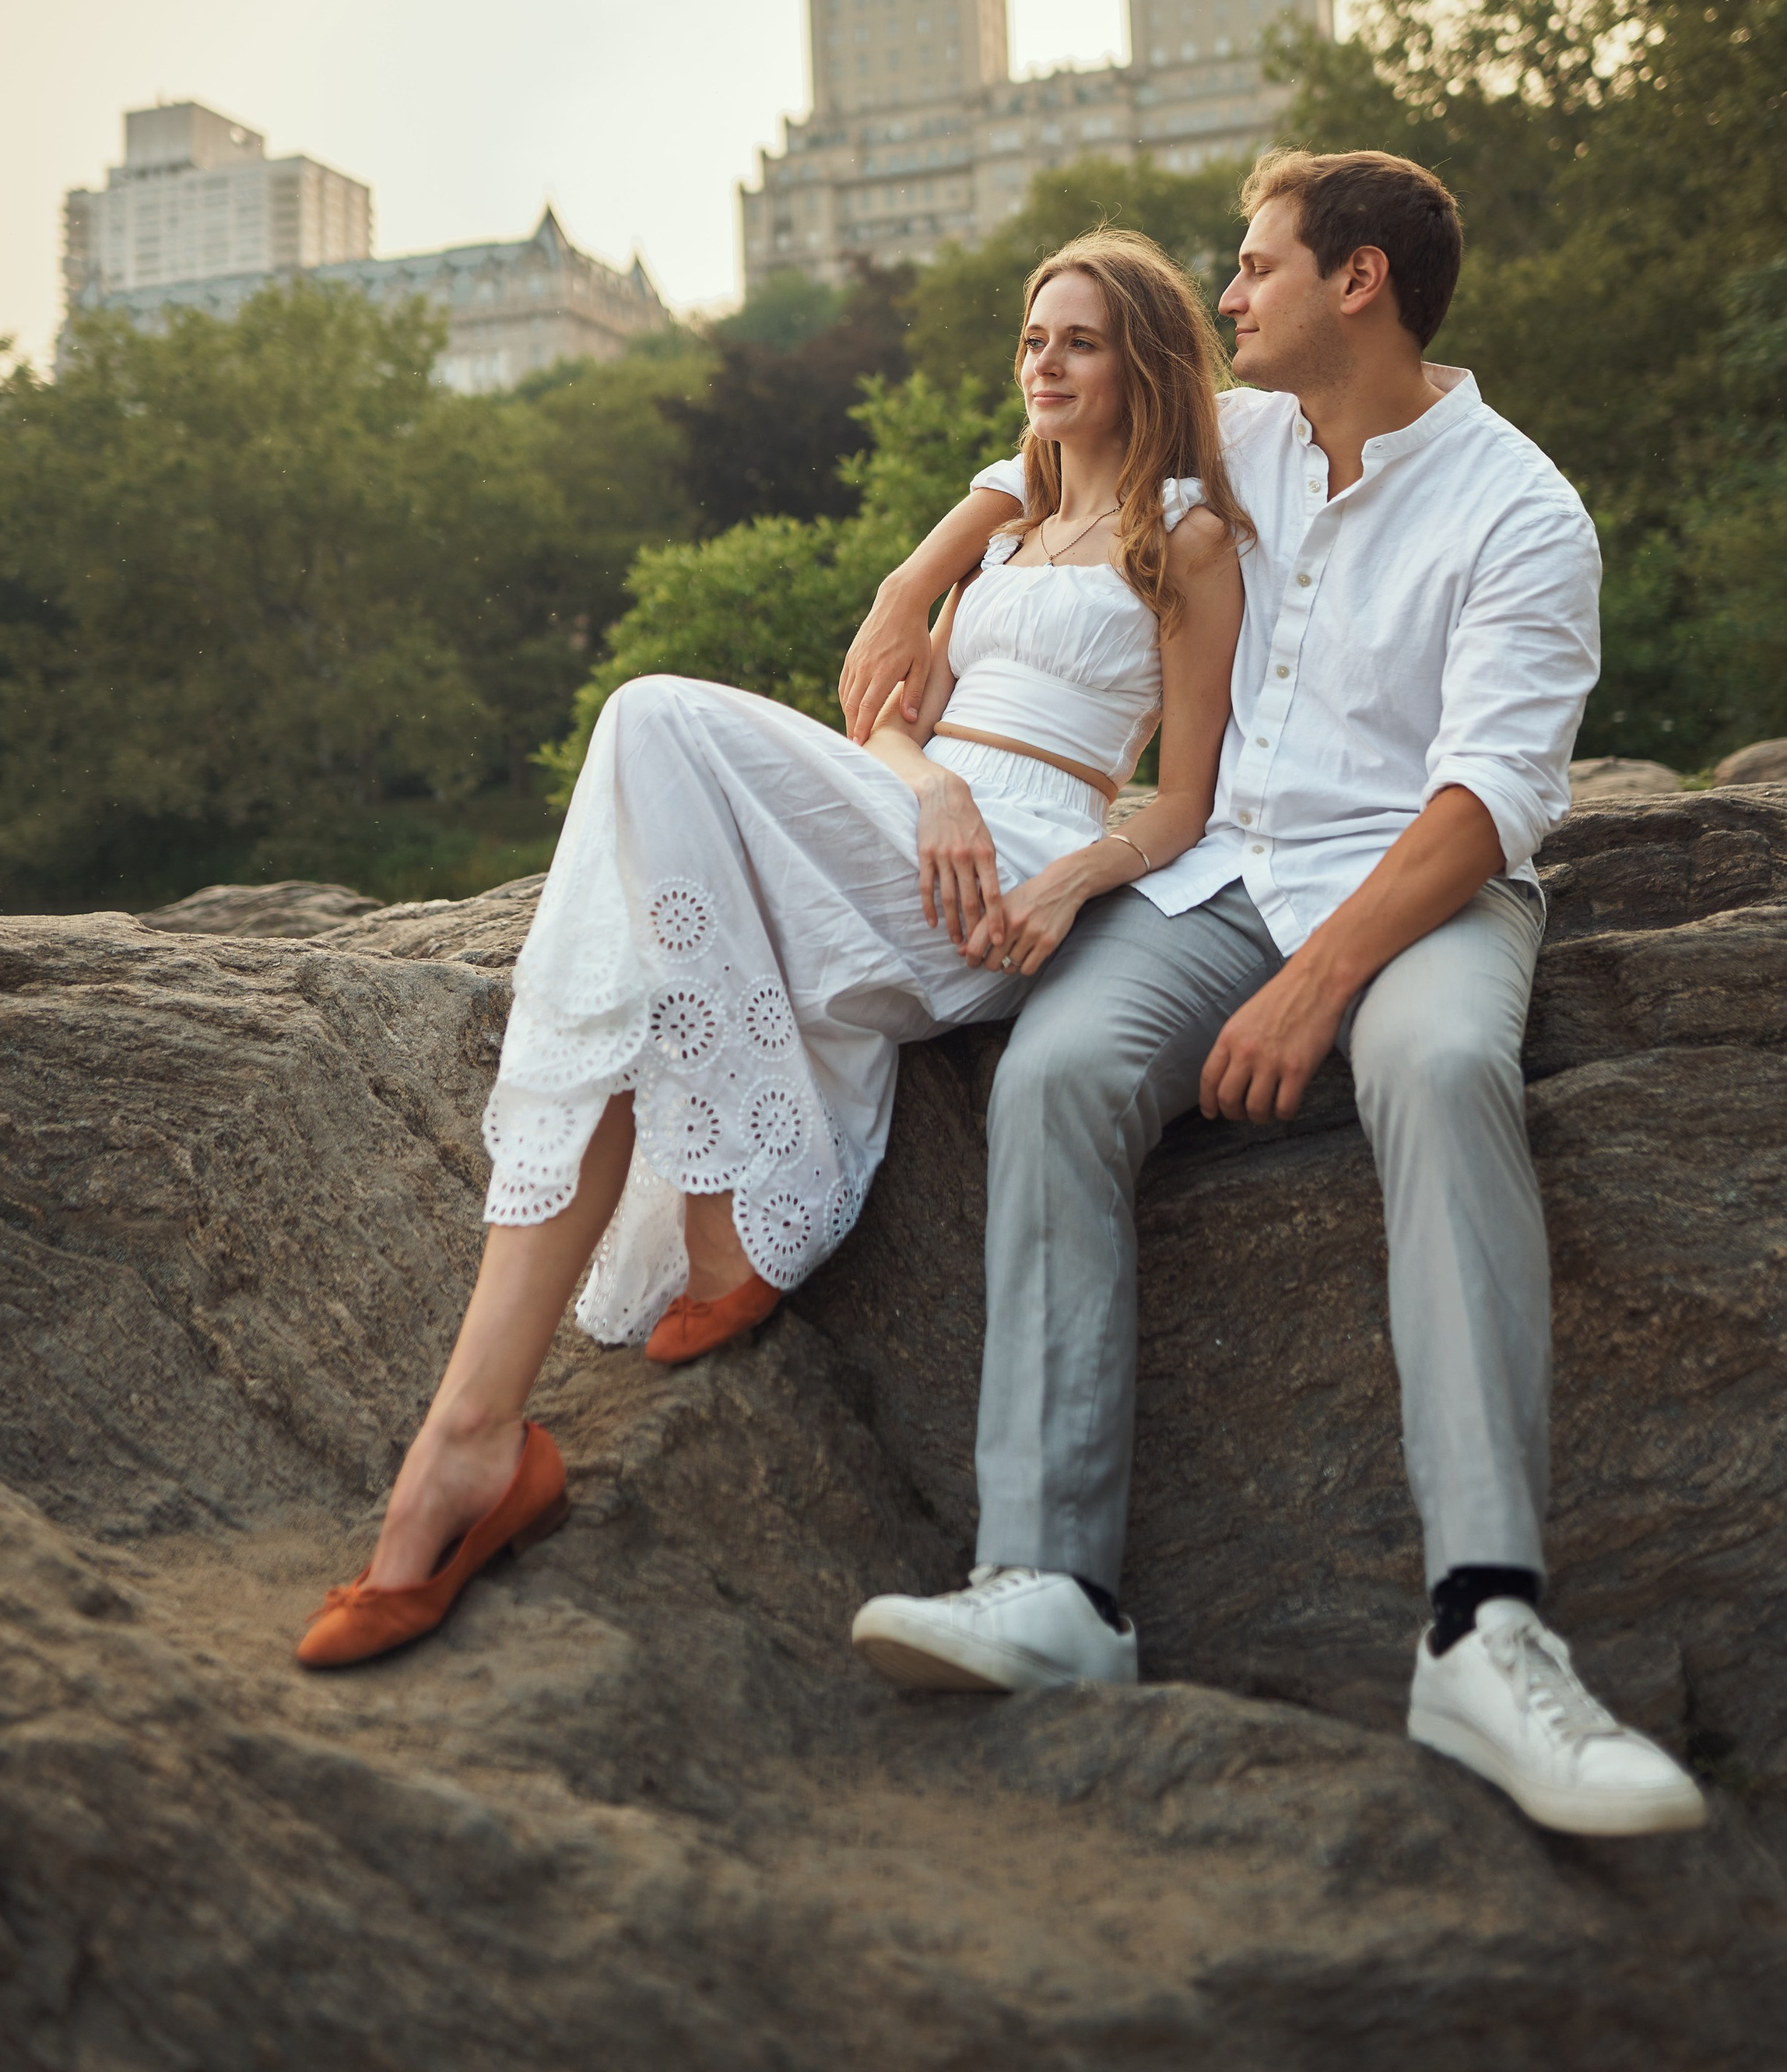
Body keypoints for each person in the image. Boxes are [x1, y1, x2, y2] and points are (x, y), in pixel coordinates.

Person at [847, 149, 1707, 1841]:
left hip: (1415, 894)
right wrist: (905, 588)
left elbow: (1484, 799)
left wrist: (1317, 982)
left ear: (1358, 280)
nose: (1224, 295)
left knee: (1449, 1070)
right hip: (1205, 874)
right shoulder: (1228, 439)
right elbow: (1037, 458)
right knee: (1054, 1073)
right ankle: (1052, 1588)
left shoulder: (1517, 508)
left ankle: (1481, 1624)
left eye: (1251, 269)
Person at [295, 230, 1247, 1670]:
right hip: (922, 817)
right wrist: (925, 778)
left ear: (1146, 365)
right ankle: (474, 1440)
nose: (1042, 362)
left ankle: (567, 1362)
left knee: (652, 716)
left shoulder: (1183, 536)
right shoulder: (999, 523)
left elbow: (1184, 800)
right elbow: (880, 706)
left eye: (1080, 341)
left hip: (1020, 868)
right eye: (1032, 337)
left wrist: (1070, 887)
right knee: (626, 922)